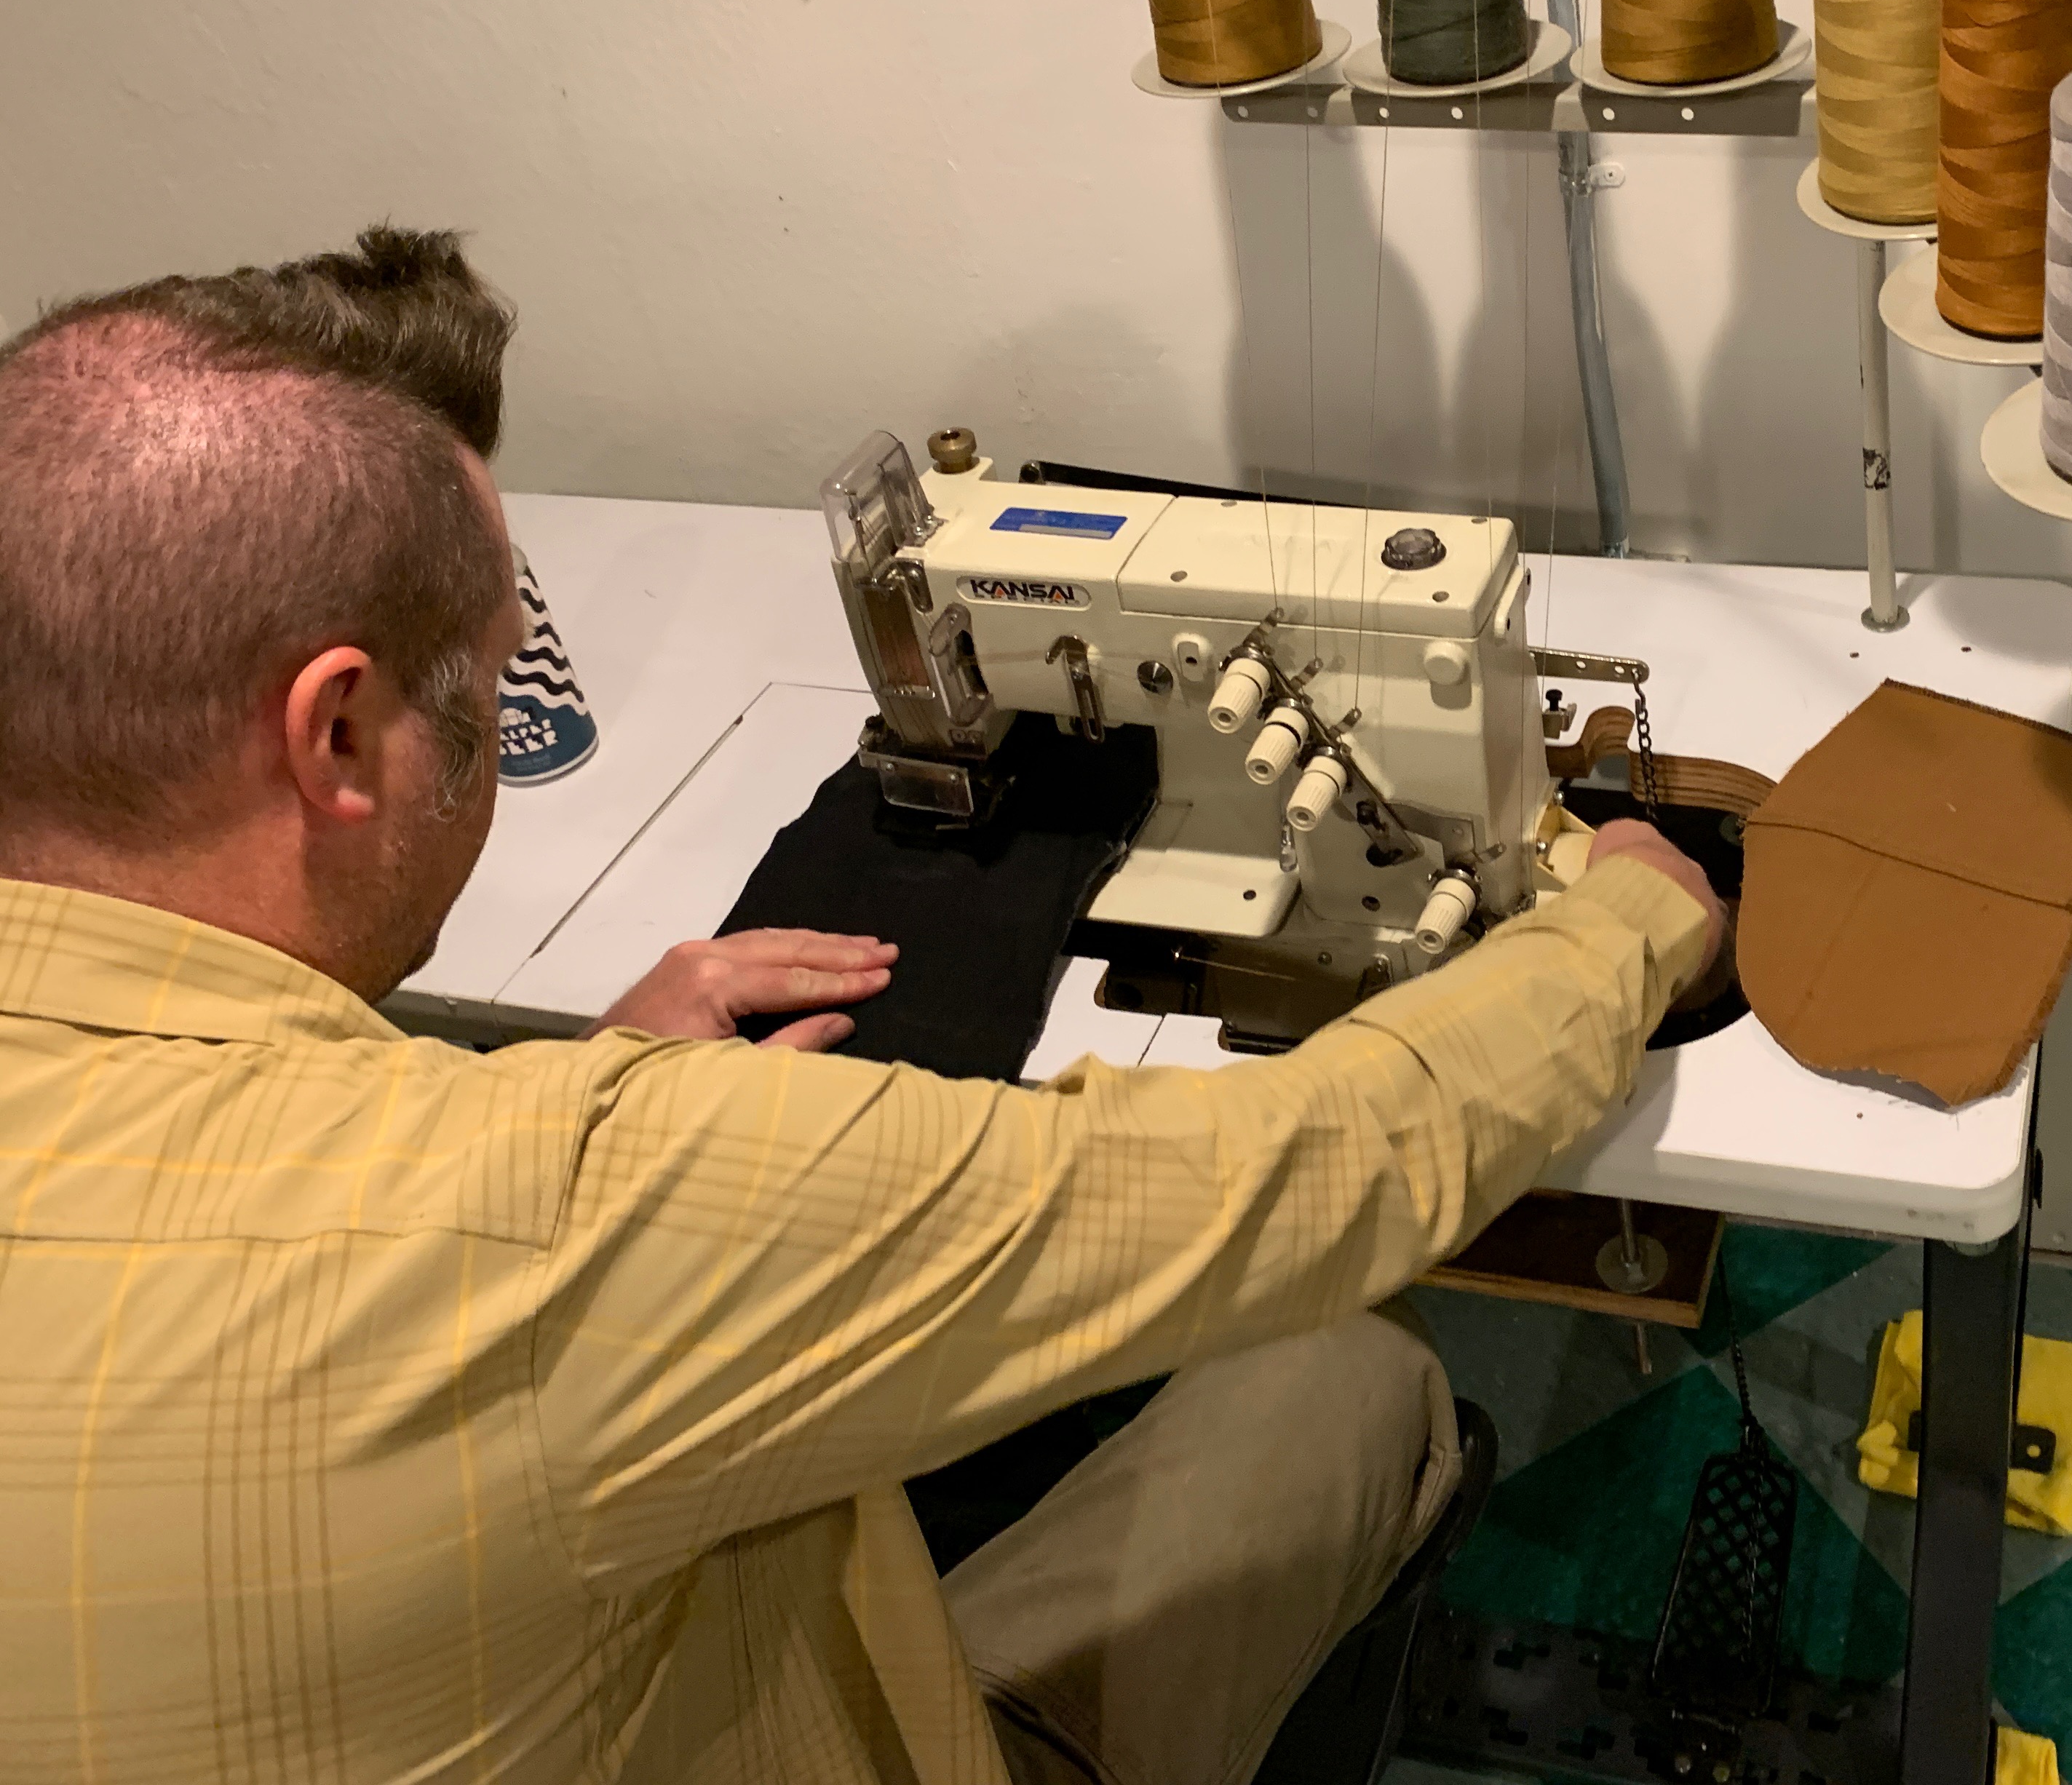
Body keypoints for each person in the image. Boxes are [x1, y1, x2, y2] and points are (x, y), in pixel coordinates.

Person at [0, 229, 1723, 1785]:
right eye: (497, 667)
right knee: (1346, 1369)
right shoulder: (555, 1215)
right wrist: (1634, 921)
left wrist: (585, 1087)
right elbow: (1326, 1167)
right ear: (338, 735)